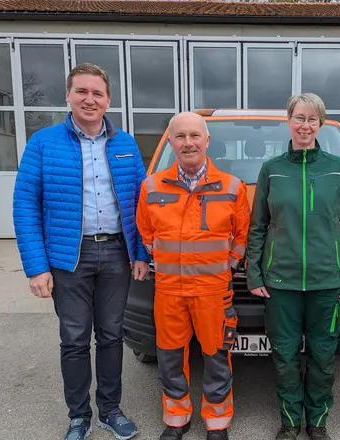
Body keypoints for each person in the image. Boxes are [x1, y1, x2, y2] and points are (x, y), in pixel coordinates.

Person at [13, 63, 150, 440]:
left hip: (117, 255)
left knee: (111, 335)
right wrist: (36, 266)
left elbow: (142, 203)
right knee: (74, 338)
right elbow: (25, 204)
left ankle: (110, 410)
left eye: (98, 93)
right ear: (68, 96)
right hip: (69, 258)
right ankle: (79, 416)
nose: (90, 99)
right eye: (82, 92)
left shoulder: (125, 144)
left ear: (108, 101)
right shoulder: (43, 143)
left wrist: (141, 253)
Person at [246, 93, 340, 440]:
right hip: (280, 284)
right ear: (289, 121)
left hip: (327, 283)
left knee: (323, 357)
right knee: (284, 358)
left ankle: (318, 422)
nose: (305, 125)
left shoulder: (337, 168)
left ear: (320, 125)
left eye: (312, 119)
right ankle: (289, 422)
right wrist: (255, 273)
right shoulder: (272, 170)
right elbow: (257, 227)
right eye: (299, 117)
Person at [136, 111, 250, 440]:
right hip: (169, 291)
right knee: (170, 358)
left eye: (195, 136)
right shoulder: (152, 186)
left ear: (207, 141)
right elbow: (146, 233)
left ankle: (217, 424)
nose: (188, 143)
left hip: (214, 293)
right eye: (181, 137)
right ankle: (177, 419)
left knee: (216, 358)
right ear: (170, 142)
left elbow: (242, 236)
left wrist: (227, 263)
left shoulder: (231, 187)